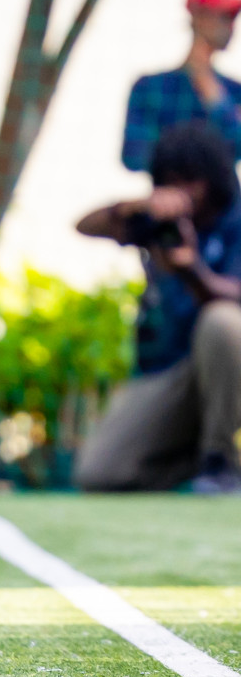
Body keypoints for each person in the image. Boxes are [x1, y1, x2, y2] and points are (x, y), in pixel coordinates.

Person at [75, 120, 241, 494]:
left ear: (213, 179)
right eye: (171, 181)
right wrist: (133, 208)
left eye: (190, 180)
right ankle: (202, 461)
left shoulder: (237, 219)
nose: (182, 191)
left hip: (235, 365)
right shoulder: (161, 222)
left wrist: (192, 271)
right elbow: (83, 226)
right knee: (100, 473)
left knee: (222, 322)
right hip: (176, 371)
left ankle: (223, 461)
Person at [122, 0, 241, 172]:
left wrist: (216, 99)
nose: (231, 27)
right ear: (198, 17)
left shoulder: (235, 91)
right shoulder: (150, 87)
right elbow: (133, 156)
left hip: (226, 200)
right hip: (169, 198)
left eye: (233, 18)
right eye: (224, 17)